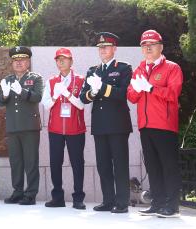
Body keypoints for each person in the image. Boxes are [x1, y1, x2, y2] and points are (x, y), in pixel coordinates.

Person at [128, 30, 183, 218]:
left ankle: (172, 205)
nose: (148, 48)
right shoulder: (140, 69)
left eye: (152, 44)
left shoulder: (172, 68)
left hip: (165, 125)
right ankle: (158, 203)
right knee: (152, 166)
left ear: (161, 47)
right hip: (145, 125)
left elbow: (173, 94)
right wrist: (136, 88)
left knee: (168, 166)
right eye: (144, 45)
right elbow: (132, 96)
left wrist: (151, 88)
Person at [80, 32, 133, 213]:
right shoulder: (92, 70)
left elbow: (123, 93)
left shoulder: (124, 68)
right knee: (103, 165)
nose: (103, 50)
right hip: (100, 124)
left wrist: (101, 88)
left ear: (114, 49)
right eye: (100, 47)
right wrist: (92, 93)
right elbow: (83, 97)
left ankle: (122, 202)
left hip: (118, 124)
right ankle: (108, 200)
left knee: (120, 164)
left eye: (106, 46)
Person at [41, 48, 87, 210]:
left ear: (71, 61)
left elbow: (81, 104)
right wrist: (55, 95)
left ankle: (78, 198)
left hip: (76, 129)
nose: (61, 62)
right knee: (55, 163)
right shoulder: (51, 81)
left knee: (77, 163)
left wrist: (67, 94)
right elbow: (46, 105)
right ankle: (57, 197)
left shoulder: (81, 80)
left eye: (64, 59)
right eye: (58, 59)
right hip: (55, 129)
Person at [0, 46, 43, 206]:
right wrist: (4, 93)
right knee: (16, 162)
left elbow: (37, 97)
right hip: (13, 126)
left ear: (28, 61)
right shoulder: (7, 80)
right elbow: (0, 102)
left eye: (22, 59)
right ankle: (17, 191)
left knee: (31, 162)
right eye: (15, 60)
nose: (18, 63)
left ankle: (30, 194)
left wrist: (22, 91)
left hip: (30, 126)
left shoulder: (35, 78)